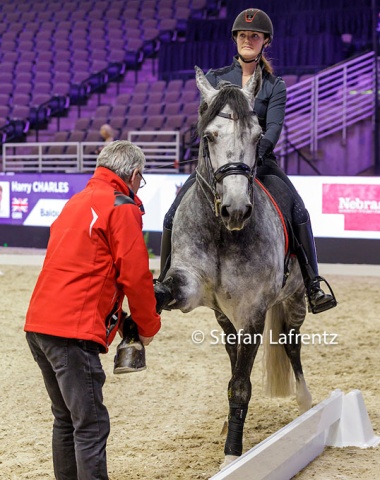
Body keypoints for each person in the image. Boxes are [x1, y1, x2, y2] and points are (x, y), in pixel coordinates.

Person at [158, 8, 337, 314]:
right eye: (243, 35)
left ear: (264, 41)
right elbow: (206, 124)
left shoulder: (274, 86)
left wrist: (253, 155)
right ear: (235, 40)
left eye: (254, 36)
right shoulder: (215, 80)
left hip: (260, 163)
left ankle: (312, 284)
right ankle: (162, 280)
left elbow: (274, 129)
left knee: (298, 209)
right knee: (172, 215)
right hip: (218, 167)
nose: (248, 40)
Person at [24, 140, 161, 479]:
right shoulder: (121, 206)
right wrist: (147, 326)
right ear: (133, 174)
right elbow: (135, 274)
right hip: (72, 331)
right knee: (91, 425)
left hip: (39, 324)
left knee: (66, 419)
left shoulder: (76, 201)